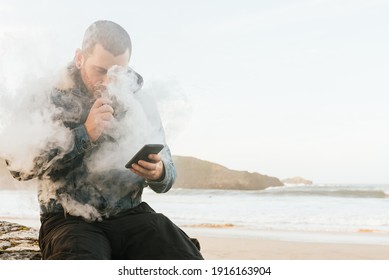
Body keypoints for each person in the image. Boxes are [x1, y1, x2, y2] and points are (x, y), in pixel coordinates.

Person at [7, 20, 203, 260]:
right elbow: (18, 167)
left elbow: (168, 174)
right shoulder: (47, 95)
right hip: (69, 221)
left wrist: (159, 172)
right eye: (100, 71)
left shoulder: (142, 102)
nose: (109, 81)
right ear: (80, 58)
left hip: (131, 215)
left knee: (184, 257)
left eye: (118, 72)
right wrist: (84, 134)